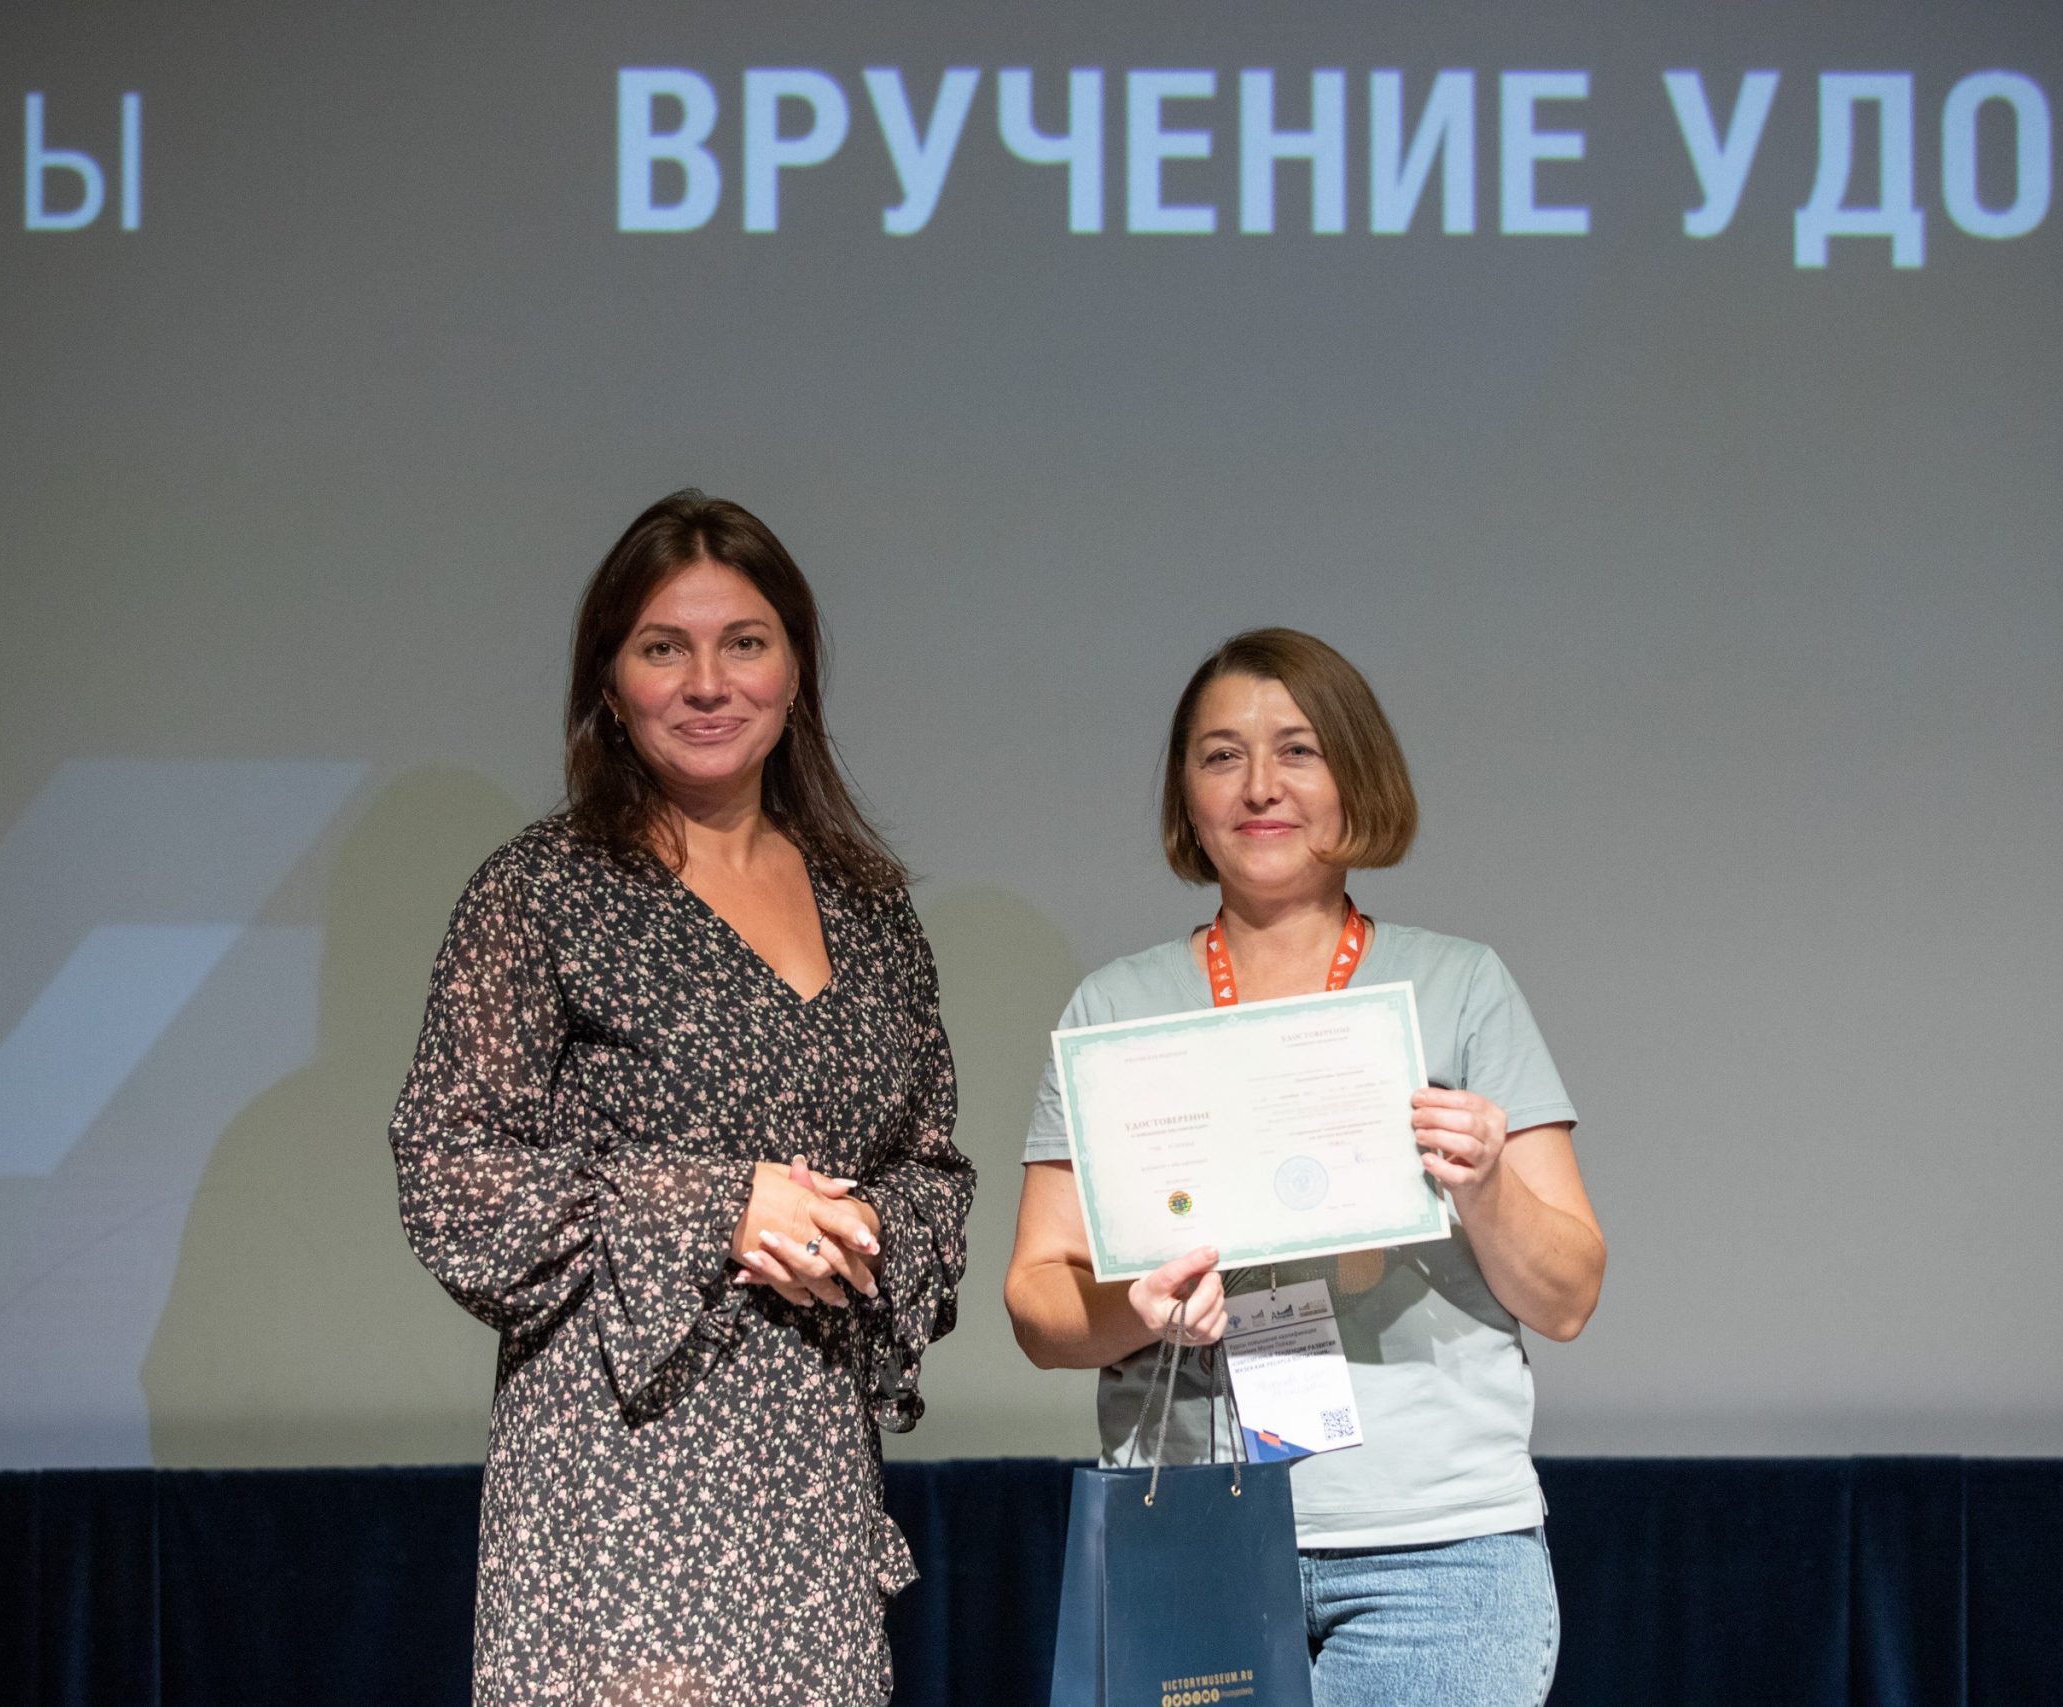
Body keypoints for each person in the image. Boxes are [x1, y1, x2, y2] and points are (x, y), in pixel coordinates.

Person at [390, 490, 974, 1707]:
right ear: (610, 684)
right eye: (664, 648)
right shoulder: (541, 893)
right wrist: (718, 1207)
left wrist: (863, 1228)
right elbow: (450, 1176)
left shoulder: (869, 906)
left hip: (810, 1482)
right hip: (622, 1486)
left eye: (743, 643)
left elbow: (932, 1166)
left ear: (795, 671)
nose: (708, 683)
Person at [1004, 628, 1604, 1707]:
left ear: (1355, 775)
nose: (1259, 786)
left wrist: (1484, 1187)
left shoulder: (1460, 988)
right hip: (1194, 1530)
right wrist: (1134, 1310)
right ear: (1186, 794)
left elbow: (1567, 1297)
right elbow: (1040, 1307)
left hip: (1437, 1551)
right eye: (1220, 755)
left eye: (1298, 749)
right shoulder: (1116, 1010)